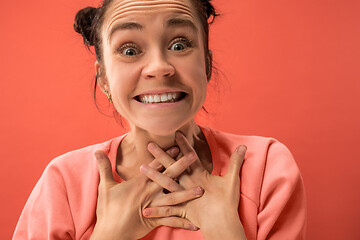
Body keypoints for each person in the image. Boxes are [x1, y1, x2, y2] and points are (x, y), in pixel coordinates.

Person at [13, 0, 307, 239]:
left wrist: (225, 231)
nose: (159, 67)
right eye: (129, 50)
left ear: (206, 64)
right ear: (103, 78)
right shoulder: (64, 184)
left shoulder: (267, 167)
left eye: (179, 45)